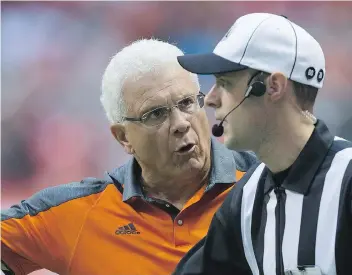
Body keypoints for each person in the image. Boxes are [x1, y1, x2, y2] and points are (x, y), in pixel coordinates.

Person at [1, 39, 257, 275]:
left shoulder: (264, 186)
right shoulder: (78, 214)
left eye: (187, 102)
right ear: (123, 137)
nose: (180, 124)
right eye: (155, 114)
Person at [173, 13, 352, 275]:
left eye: (225, 83)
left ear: (273, 86)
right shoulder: (246, 200)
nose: (210, 99)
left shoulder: (345, 181)